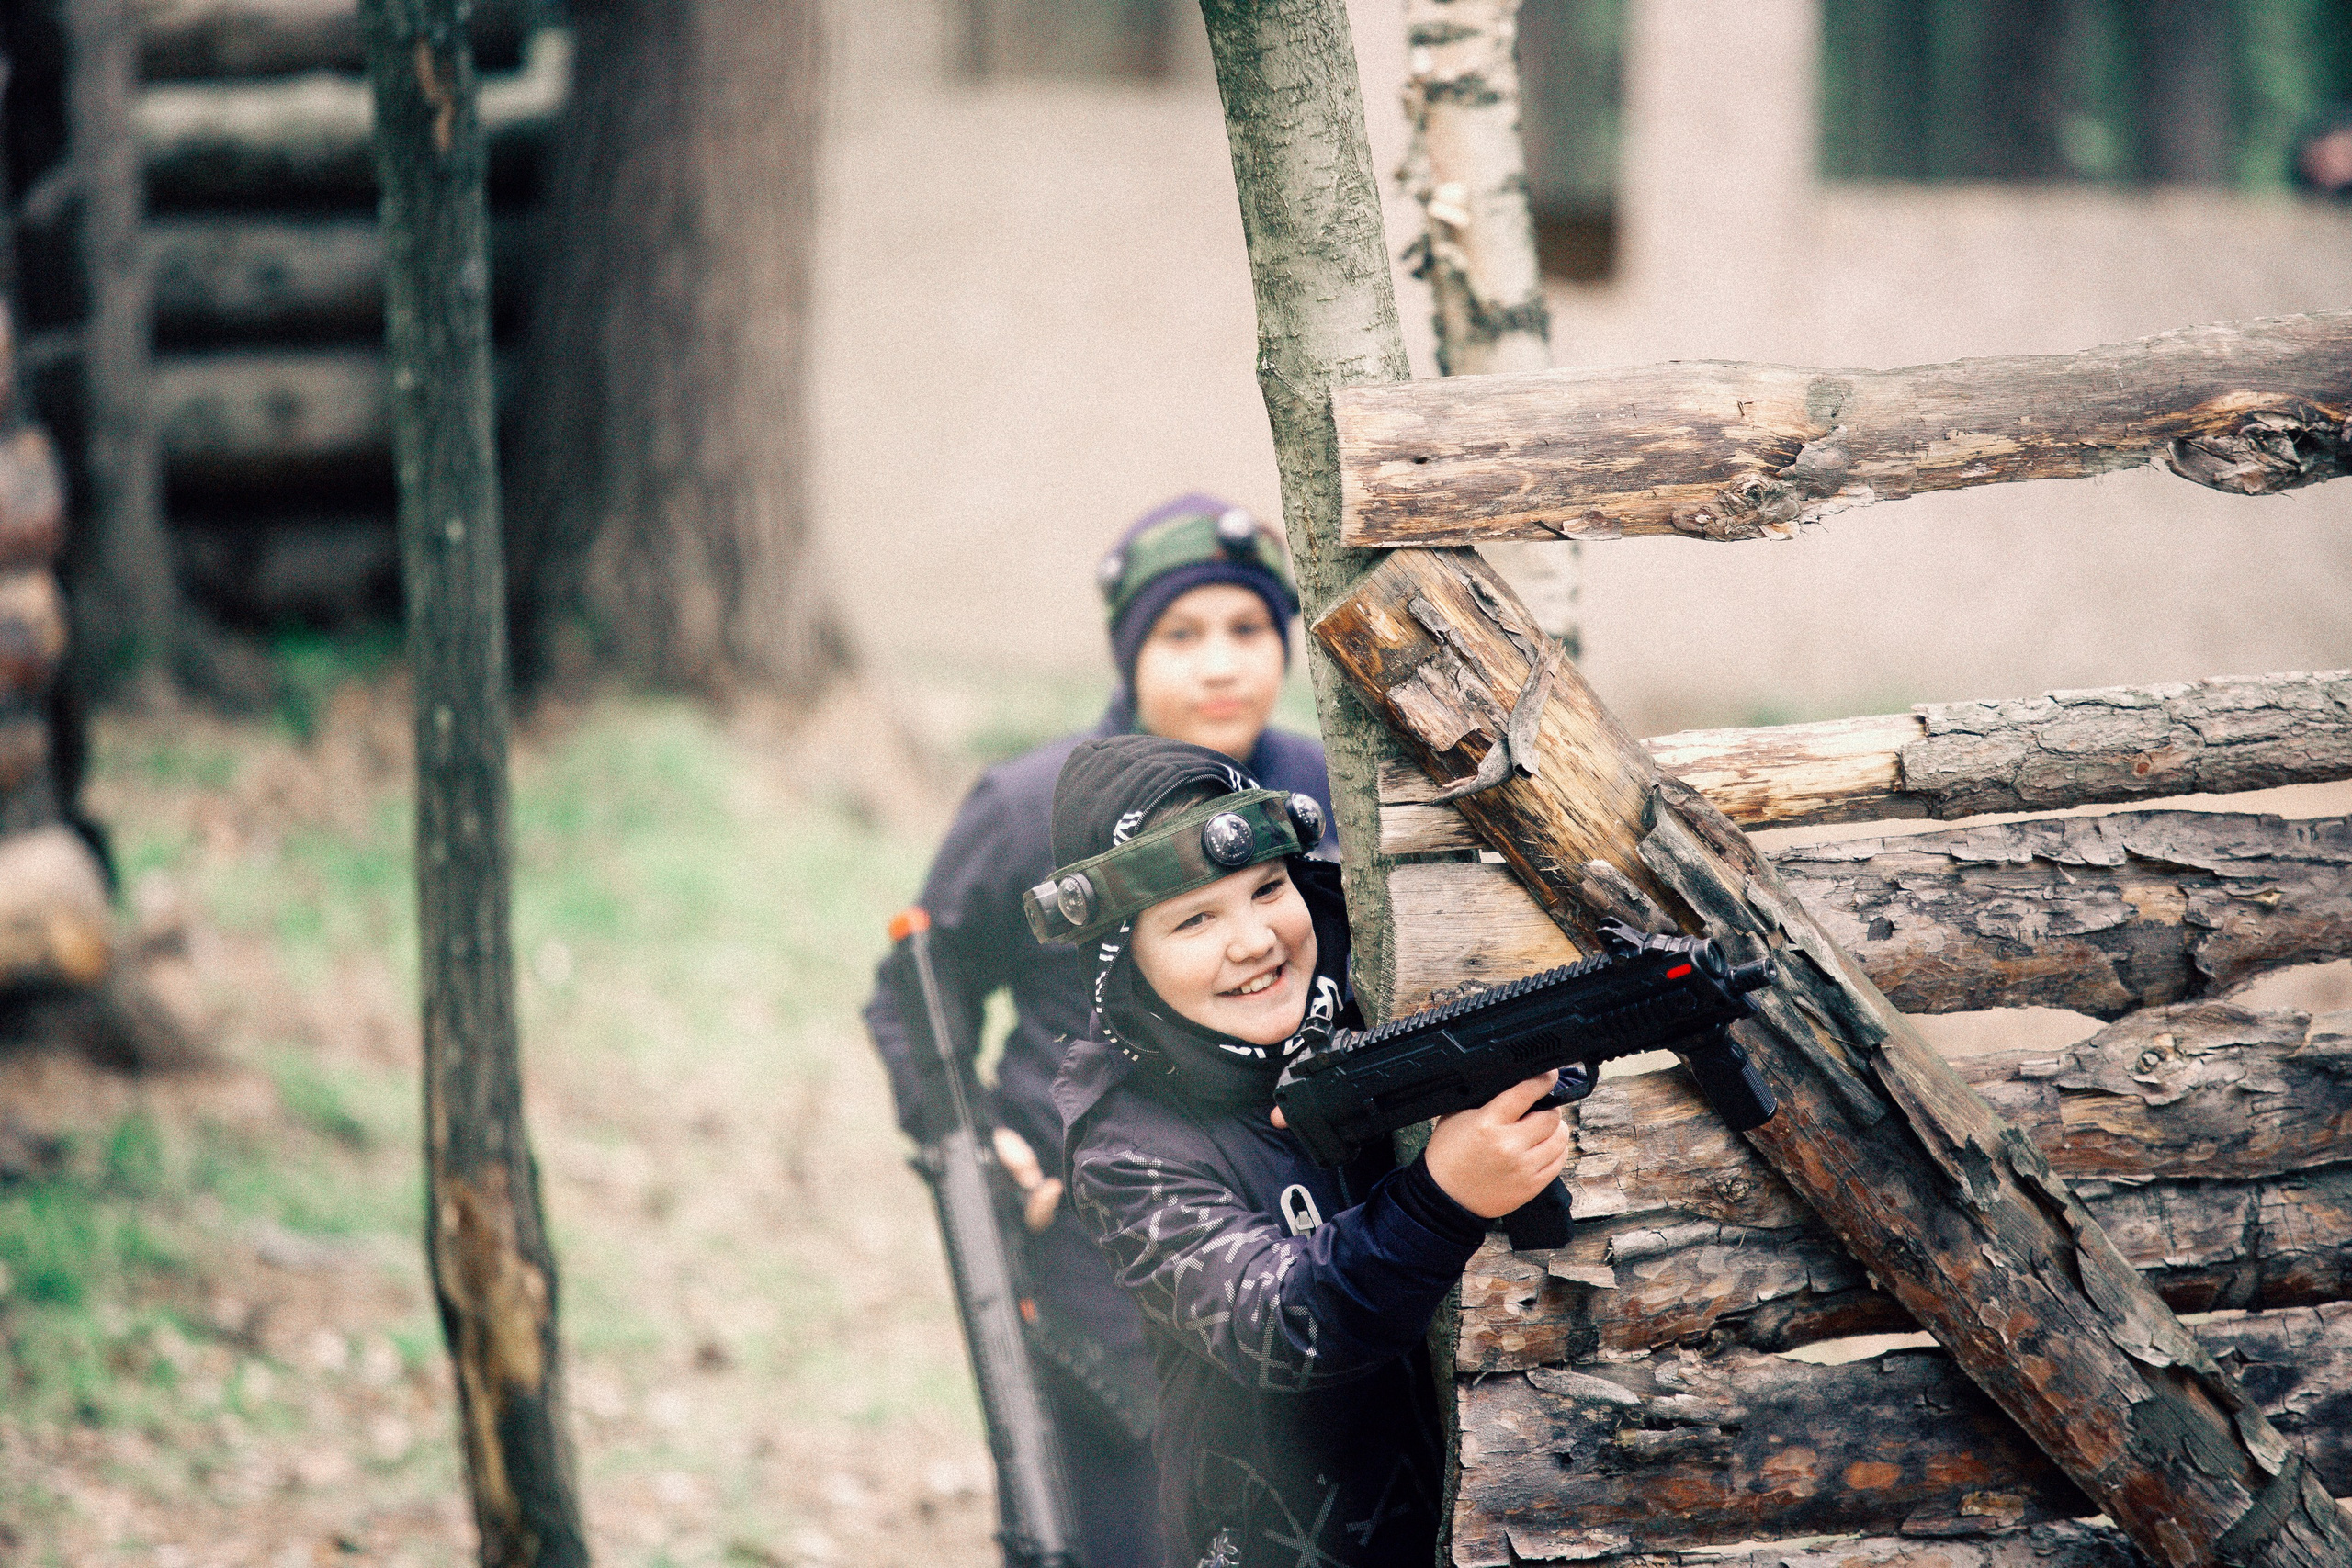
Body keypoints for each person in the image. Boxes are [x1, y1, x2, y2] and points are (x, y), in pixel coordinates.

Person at [864, 494, 1333, 1568]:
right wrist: (972, 1136)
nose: (1220, 665)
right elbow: (916, 993)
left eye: (1247, 629)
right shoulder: (1031, 805)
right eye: (1181, 635)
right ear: (1129, 653)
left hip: (1288, 1226)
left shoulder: (1317, 789)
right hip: (1092, 1249)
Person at [1039, 734, 1573, 1568]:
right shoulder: (1128, 1146)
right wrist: (1443, 1198)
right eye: (1194, 919)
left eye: (1268, 888)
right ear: (1123, 961)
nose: (1254, 940)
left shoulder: (1371, 1006)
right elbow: (1279, 1324)